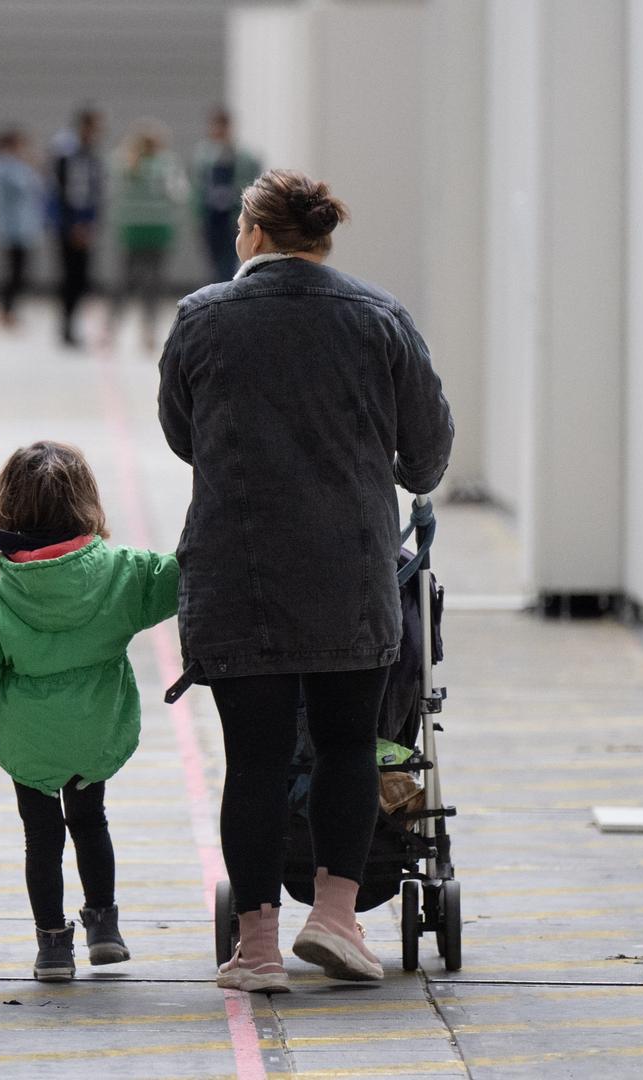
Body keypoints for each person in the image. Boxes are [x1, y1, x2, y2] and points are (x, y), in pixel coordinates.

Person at [158, 170, 453, 993]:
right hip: (349, 569)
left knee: (253, 760)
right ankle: (335, 916)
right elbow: (427, 453)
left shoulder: (203, 317)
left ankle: (255, 949)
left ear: (251, 233)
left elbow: (184, 434)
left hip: (236, 571)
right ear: (322, 239)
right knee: (347, 745)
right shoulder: (379, 318)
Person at [0, 442, 179, 983]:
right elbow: (179, 577)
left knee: (40, 838)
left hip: (30, 739)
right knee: (91, 822)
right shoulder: (121, 571)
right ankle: (105, 928)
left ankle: (52, 945)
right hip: (96, 729)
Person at [107, 118, 186, 350]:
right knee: (154, 282)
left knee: (124, 279)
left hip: (131, 228)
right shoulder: (168, 164)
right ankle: (148, 330)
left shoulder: (123, 162)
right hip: (158, 229)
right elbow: (179, 194)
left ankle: (112, 327)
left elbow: (112, 192)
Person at [50, 103, 106, 348]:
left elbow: (95, 192)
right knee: (69, 277)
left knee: (81, 277)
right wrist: (73, 224)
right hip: (68, 225)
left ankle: (73, 325)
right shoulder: (66, 152)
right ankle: (66, 327)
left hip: (84, 224)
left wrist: (90, 223)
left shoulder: (91, 153)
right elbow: (62, 191)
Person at [0, 126, 45, 327]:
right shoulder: (3, 165)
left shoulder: (11, 165)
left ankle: (7, 308)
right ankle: (5, 309)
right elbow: (26, 185)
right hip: (12, 228)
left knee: (18, 271)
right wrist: (30, 165)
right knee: (14, 272)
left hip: (21, 227)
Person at [188, 107, 262, 283]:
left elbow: (252, 181)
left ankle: (225, 291)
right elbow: (197, 187)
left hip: (233, 217)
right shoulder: (203, 155)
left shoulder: (243, 156)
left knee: (229, 260)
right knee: (212, 260)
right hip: (211, 217)